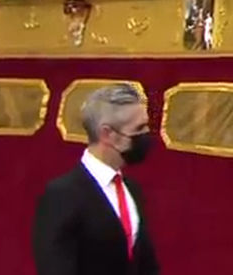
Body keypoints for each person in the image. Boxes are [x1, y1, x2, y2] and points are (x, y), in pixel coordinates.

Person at [31, 83, 159, 275]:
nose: (145, 135)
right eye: (139, 128)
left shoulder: (132, 191)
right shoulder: (62, 195)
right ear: (107, 134)